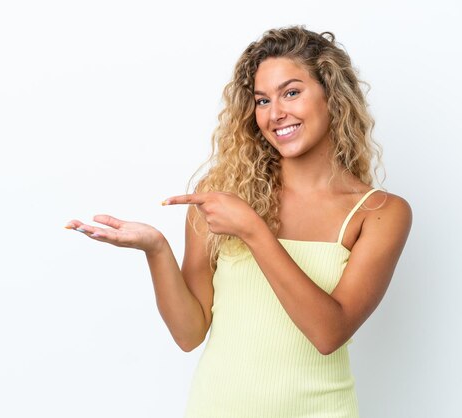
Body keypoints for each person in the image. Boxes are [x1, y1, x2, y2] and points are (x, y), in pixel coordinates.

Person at [66, 26, 411, 418]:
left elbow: (328, 333)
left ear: (332, 95)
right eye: (262, 100)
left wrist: (253, 230)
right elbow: (189, 333)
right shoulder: (221, 195)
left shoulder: (379, 212)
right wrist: (157, 250)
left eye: (291, 92)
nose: (275, 113)